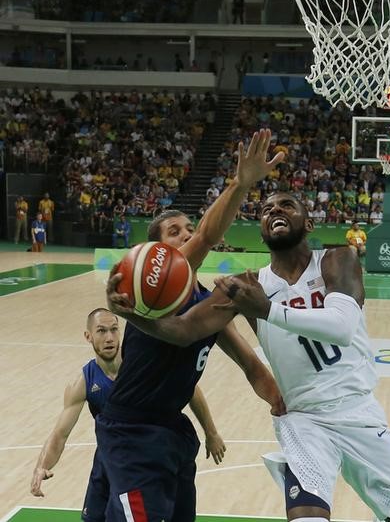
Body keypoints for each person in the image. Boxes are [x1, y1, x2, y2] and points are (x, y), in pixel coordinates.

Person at [107, 191, 390, 522]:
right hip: (304, 421)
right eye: (266, 209)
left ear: (309, 221)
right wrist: (131, 315)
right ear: (261, 229)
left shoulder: (336, 259)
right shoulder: (247, 285)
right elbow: (185, 330)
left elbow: (342, 327)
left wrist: (267, 309)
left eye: (286, 205)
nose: (275, 210)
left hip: (356, 410)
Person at [98, 130, 286, 522]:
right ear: (157, 255)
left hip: (172, 431)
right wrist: (240, 184)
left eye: (186, 227)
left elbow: (251, 366)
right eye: (174, 232)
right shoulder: (150, 296)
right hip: (131, 432)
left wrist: (281, 401)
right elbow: (205, 235)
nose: (185, 234)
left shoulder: (208, 303)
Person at [30, 309, 225, 521]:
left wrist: (211, 433)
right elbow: (60, 434)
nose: (109, 338)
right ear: (88, 336)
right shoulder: (83, 382)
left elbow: (190, 389)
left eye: (114, 330)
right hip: (109, 456)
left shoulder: (141, 365)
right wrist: (43, 466)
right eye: (102, 331)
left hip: (144, 456)